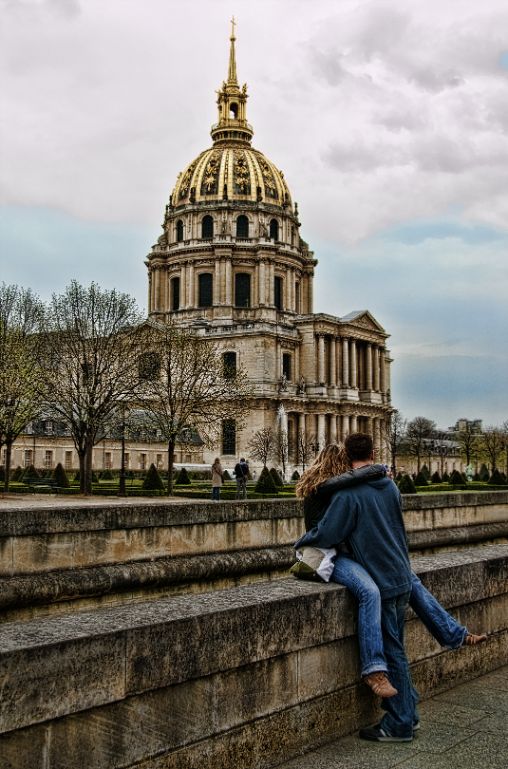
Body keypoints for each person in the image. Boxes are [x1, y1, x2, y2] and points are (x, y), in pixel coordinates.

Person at [295, 434, 485, 743]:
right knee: (398, 645)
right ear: (373, 452)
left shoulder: (347, 495)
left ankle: (400, 721)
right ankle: (410, 708)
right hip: (398, 571)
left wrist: (301, 545)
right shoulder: (389, 485)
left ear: (347, 457)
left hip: (381, 579)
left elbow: (327, 534)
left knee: (394, 650)